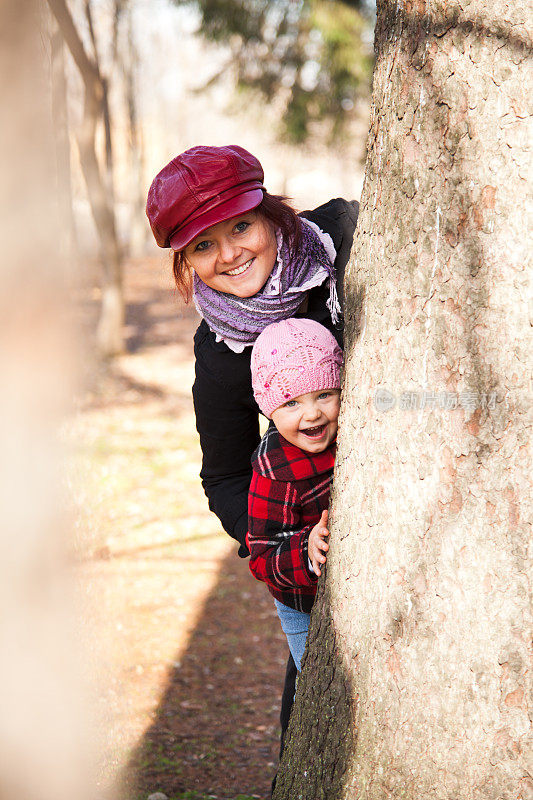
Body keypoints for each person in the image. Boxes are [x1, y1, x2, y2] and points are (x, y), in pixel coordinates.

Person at [146, 143, 358, 755]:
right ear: (186, 262)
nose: (230, 253)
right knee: (318, 712)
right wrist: (283, 537)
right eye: (203, 246)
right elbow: (225, 478)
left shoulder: (340, 240)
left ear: (270, 214)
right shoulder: (219, 356)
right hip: (309, 541)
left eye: (241, 226)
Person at [248, 318, 342, 672]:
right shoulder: (275, 469)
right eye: (291, 403)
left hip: (351, 588)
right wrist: (305, 548)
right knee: (318, 676)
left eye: (324, 394)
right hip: (300, 601)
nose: (312, 412)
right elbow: (261, 556)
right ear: (268, 407)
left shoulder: (353, 431)